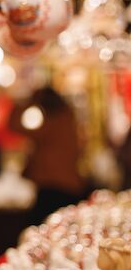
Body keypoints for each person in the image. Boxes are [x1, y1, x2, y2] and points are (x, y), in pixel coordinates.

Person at [15, 86, 85, 226]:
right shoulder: (68, 118)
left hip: (53, 188)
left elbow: (13, 124)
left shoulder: (51, 123)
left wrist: (29, 102)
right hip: (69, 185)